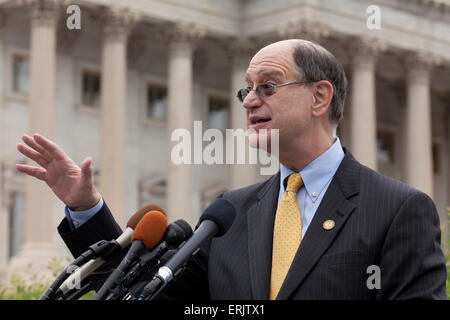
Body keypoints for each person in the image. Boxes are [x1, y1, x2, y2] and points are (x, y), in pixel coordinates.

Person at [16, 39, 447, 299]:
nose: (248, 100)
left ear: (320, 97)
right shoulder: (229, 215)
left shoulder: (397, 210)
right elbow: (142, 292)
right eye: (247, 88)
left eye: (268, 86)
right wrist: (86, 208)